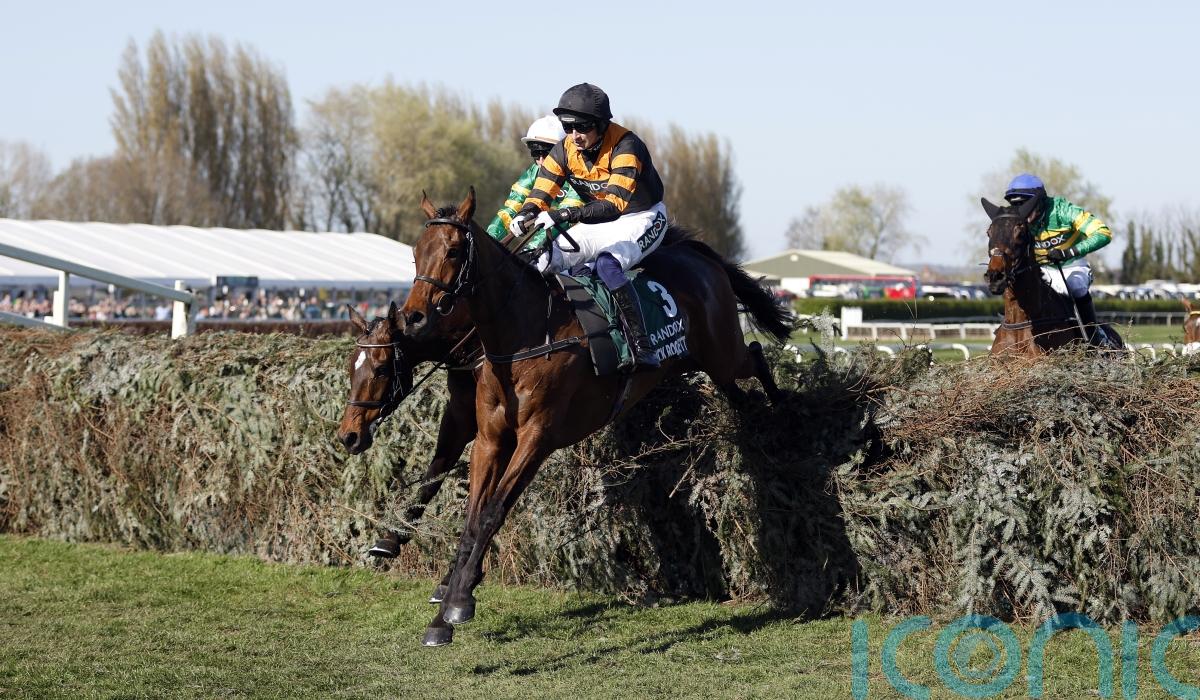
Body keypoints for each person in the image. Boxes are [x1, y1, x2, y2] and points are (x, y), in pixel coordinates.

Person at [508, 83, 668, 370]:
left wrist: (564, 213)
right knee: (538, 260)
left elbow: (613, 205)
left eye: (581, 127)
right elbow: (541, 192)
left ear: (602, 124)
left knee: (607, 265)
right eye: (567, 127)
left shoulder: (626, 146)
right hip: (597, 221)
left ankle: (642, 346)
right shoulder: (565, 149)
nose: (574, 135)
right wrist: (526, 213)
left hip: (640, 218)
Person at [1004, 173, 1114, 347]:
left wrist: (1069, 252)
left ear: (1039, 201)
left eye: (1025, 203)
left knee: (1075, 286)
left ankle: (1095, 338)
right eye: (1015, 204)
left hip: (1071, 264)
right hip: (1040, 269)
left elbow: (1103, 233)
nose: (1021, 210)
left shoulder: (1063, 211)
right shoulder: (1017, 222)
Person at [486, 115, 584, 250]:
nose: (541, 161)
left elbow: (563, 219)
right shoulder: (533, 172)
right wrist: (487, 241)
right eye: (536, 153)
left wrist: (532, 249)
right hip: (552, 238)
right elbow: (509, 210)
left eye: (547, 153)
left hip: (581, 239)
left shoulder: (579, 173)